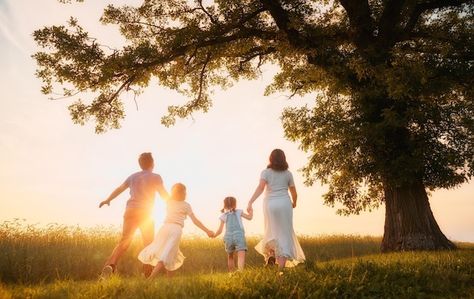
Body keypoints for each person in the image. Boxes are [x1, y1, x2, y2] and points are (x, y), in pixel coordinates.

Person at [99, 152, 169, 277]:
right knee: (148, 243)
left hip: (130, 210)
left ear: (140, 164)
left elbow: (120, 188)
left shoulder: (132, 177)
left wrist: (108, 199)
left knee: (124, 241)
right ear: (152, 163)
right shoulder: (156, 177)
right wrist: (175, 204)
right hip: (145, 213)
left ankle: (110, 265)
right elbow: (164, 195)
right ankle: (146, 273)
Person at [138, 183, 214, 279]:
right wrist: (207, 231)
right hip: (175, 230)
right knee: (166, 255)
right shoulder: (186, 205)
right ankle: (150, 279)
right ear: (183, 193)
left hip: (164, 228)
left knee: (172, 254)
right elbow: (195, 220)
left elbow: (160, 192)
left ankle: (170, 281)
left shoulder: (168, 201)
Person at [247, 149, 305, 270]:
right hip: (284, 204)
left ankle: (272, 254)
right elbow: (294, 192)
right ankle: (281, 270)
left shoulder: (265, 172)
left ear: (271, 159)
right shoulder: (288, 174)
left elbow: (260, 188)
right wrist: (294, 203)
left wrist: (250, 201)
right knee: (284, 234)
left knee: (271, 231)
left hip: (270, 204)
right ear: (284, 159)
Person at [212, 196, 253, 271]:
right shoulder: (239, 211)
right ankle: (240, 272)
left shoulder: (223, 216)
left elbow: (220, 230)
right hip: (239, 235)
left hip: (228, 237)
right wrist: (251, 211)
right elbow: (249, 218)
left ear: (224, 205)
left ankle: (232, 274)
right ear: (235, 204)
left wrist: (214, 235)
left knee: (230, 256)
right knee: (241, 254)